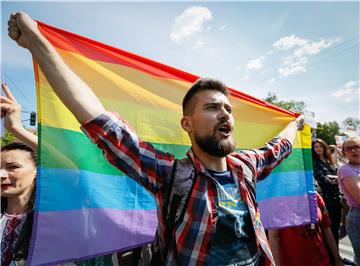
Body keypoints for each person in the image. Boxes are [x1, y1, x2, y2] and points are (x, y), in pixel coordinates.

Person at [8, 12, 304, 265]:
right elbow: (99, 121)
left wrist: (296, 123)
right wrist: (37, 43)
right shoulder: (173, 175)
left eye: (228, 109)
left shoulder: (247, 165)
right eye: (212, 108)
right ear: (186, 124)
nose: (225, 114)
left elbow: (281, 146)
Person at [1, 83, 117, 265]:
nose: (2, 174)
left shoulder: (53, 214)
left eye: (12, 167)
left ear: (37, 172)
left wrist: (17, 129)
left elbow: (71, 171)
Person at [268, 192, 343, 266]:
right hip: (293, 262)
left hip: (323, 261)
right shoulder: (277, 202)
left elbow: (326, 228)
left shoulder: (315, 196)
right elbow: (273, 236)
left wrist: (337, 259)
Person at [312, 138, 342, 245]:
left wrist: (335, 178)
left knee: (336, 228)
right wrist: (337, 179)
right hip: (325, 200)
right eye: (316, 147)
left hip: (337, 198)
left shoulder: (330, 161)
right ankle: (332, 258)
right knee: (328, 229)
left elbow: (340, 176)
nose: (318, 149)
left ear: (324, 147)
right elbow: (324, 180)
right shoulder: (314, 162)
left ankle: (337, 256)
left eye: (320, 146)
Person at [338, 137, 360, 265]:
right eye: (349, 148)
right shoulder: (346, 169)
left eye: (357, 147)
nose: (354, 150)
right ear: (344, 152)